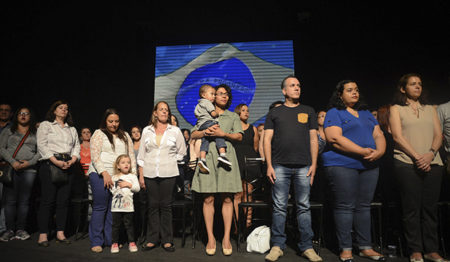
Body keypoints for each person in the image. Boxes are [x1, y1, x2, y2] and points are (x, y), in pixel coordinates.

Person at [322, 80, 386, 262]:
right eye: (349, 90)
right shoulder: (335, 113)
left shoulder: (366, 114)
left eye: (357, 90)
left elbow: (378, 134)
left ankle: (366, 247)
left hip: (369, 165)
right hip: (342, 164)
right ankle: (346, 248)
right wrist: (361, 151)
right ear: (340, 95)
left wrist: (380, 151)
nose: (354, 93)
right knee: (345, 206)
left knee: (364, 206)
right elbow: (334, 138)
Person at [263, 75, 322, 262]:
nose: (297, 88)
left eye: (298, 85)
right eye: (292, 85)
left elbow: (314, 139)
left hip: (304, 166)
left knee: (303, 206)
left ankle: (306, 246)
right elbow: (266, 139)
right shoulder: (275, 113)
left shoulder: (309, 110)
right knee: (279, 207)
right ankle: (277, 246)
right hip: (280, 166)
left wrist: (314, 164)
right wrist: (269, 165)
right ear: (284, 91)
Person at [389, 73, 445, 262]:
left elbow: (439, 135)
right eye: (413, 84)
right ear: (403, 88)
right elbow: (397, 136)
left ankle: (432, 249)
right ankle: (415, 250)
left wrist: (430, 154)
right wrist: (417, 157)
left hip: (433, 162)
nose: (417, 87)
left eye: (419, 84)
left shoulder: (430, 109)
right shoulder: (396, 109)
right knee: (411, 209)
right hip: (406, 162)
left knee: (430, 209)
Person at [191, 84, 243, 256]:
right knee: (208, 199)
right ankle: (211, 238)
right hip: (208, 157)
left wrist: (223, 134)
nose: (224, 96)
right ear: (212, 96)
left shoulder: (233, 115)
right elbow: (193, 134)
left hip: (225, 156)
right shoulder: (204, 111)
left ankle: (227, 237)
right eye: (220, 93)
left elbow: (239, 136)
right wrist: (205, 131)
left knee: (228, 198)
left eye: (226, 94)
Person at [138, 101, 186, 252]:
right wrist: (141, 175)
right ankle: (152, 239)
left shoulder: (175, 131)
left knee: (166, 206)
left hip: (169, 173)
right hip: (150, 172)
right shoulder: (147, 130)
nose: (164, 112)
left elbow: (182, 152)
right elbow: (141, 156)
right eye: (161, 110)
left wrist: (171, 161)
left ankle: (167, 240)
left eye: (166, 110)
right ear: (155, 113)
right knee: (152, 205)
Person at [88, 108, 136, 253]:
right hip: (99, 174)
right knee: (100, 206)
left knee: (113, 208)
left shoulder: (125, 135)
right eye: (110, 121)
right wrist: (104, 173)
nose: (114, 124)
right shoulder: (99, 134)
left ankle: (110, 240)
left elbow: (131, 156)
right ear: (105, 121)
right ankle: (96, 240)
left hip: (118, 175)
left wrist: (132, 175)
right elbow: (95, 156)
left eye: (116, 121)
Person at [36, 100, 80, 247]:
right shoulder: (46, 125)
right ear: (54, 110)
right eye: (60, 108)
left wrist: (72, 160)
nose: (64, 110)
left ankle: (60, 232)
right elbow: (42, 145)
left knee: (64, 201)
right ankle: (43, 234)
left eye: (66, 109)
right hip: (50, 165)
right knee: (48, 200)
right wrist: (56, 161)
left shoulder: (71, 129)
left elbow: (76, 147)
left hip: (68, 165)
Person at [0, 107, 39, 241]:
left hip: (29, 169)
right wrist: (12, 162)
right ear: (16, 116)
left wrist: (29, 163)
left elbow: (40, 151)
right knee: (10, 201)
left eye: (26, 114)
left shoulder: (35, 132)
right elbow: (1, 148)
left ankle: (21, 229)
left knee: (24, 201)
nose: (23, 116)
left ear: (30, 116)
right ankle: (9, 229)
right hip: (12, 168)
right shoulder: (8, 131)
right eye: (20, 113)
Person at [232, 103, 259, 228]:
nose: (246, 112)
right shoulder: (232, 129)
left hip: (250, 163)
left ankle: (247, 225)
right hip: (236, 161)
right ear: (238, 112)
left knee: (248, 194)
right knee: (237, 194)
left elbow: (255, 147)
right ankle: (237, 226)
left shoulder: (253, 129)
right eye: (243, 110)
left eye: (248, 110)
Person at [194, 84, 231, 173]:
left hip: (201, 125)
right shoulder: (207, 103)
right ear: (203, 95)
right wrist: (217, 114)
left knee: (205, 141)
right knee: (219, 134)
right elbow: (213, 113)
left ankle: (202, 159)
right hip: (209, 122)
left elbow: (196, 115)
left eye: (214, 94)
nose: (214, 96)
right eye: (212, 94)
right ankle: (222, 154)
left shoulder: (198, 105)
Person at [110, 154, 140, 253]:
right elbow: (112, 190)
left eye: (128, 162)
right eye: (123, 163)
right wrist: (118, 188)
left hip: (128, 207)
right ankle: (115, 243)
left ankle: (131, 242)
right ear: (118, 166)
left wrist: (128, 184)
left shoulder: (132, 176)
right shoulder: (114, 177)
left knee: (129, 225)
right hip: (116, 207)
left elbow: (137, 188)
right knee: (116, 226)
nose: (126, 164)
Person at [0, 103, 13, 234]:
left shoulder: (13, 128)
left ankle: (2, 228)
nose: (3, 112)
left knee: (4, 199)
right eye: (1, 110)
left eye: (6, 110)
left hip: (5, 166)